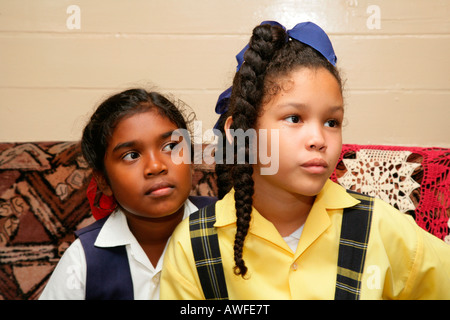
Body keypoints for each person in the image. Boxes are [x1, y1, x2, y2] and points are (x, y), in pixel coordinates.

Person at [160, 22, 450, 299]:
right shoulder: (193, 246)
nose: (319, 139)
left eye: (332, 122)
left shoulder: (380, 227)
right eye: (294, 118)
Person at [39, 88, 215, 300]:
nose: (156, 166)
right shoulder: (83, 260)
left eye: (170, 146)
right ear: (103, 180)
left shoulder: (230, 228)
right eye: (131, 155)